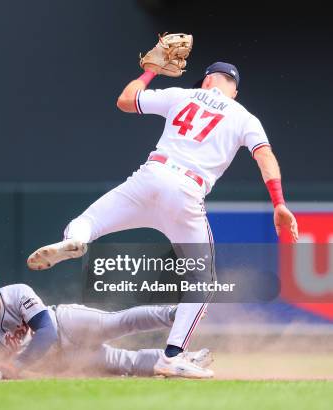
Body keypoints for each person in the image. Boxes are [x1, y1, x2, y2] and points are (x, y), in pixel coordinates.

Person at [26, 61, 299, 378]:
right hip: (186, 190)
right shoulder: (244, 117)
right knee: (202, 282)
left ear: (206, 81)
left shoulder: (183, 95)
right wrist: (279, 203)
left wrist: (150, 70)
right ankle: (172, 355)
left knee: (86, 221)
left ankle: (76, 241)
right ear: (233, 91)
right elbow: (264, 156)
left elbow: (127, 100)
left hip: (150, 176)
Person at [0, 269, 213, 378]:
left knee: (119, 322)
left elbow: (47, 331)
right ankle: (181, 361)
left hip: (66, 324)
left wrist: (17, 364)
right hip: (64, 357)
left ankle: (177, 314)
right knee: (123, 362)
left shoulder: (16, 293)